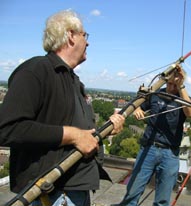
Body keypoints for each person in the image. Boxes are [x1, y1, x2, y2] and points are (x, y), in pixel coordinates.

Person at [0, 10, 125, 206]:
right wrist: (72, 135)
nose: (88, 42)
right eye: (85, 35)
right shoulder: (36, 71)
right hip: (52, 194)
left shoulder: (73, 80)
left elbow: (77, 129)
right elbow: (8, 129)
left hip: (76, 191)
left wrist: (107, 130)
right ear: (70, 36)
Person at [115, 65, 191, 206]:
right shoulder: (156, 95)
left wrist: (180, 86)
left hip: (170, 153)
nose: (171, 88)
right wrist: (138, 109)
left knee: (163, 199)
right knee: (133, 191)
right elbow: (137, 104)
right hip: (149, 149)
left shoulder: (184, 98)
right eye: (169, 83)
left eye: (174, 84)